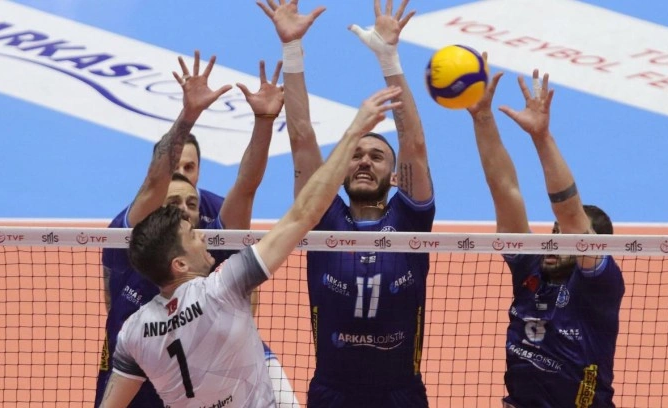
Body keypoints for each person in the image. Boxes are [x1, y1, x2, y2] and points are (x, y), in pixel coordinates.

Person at [97, 84, 404, 408]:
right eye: (191, 236)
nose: (201, 235)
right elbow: (304, 212)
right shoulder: (224, 287)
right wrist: (353, 131)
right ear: (179, 263)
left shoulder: (133, 333)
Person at [258, 0, 434, 406]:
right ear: (339, 171)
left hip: (400, 395)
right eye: (355, 155)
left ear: (395, 177)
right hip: (333, 394)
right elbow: (301, 137)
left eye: (376, 156)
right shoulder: (322, 217)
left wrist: (389, 58)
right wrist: (292, 49)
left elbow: (414, 144)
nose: (364, 161)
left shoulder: (409, 220)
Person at [95, 52, 285, 407]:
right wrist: (189, 114)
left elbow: (246, 187)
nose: (183, 208)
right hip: (135, 362)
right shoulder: (132, 231)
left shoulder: (209, 226)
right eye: (172, 201)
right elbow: (154, 183)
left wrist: (264, 121)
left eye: (190, 201)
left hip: (193, 373)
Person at [466, 57, 625, 407]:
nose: (554, 240)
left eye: (566, 236)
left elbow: (569, 214)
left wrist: (541, 138)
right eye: (554, 232)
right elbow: (504, 189)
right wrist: (482, 118)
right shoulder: (530, 267)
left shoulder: (599, 287)